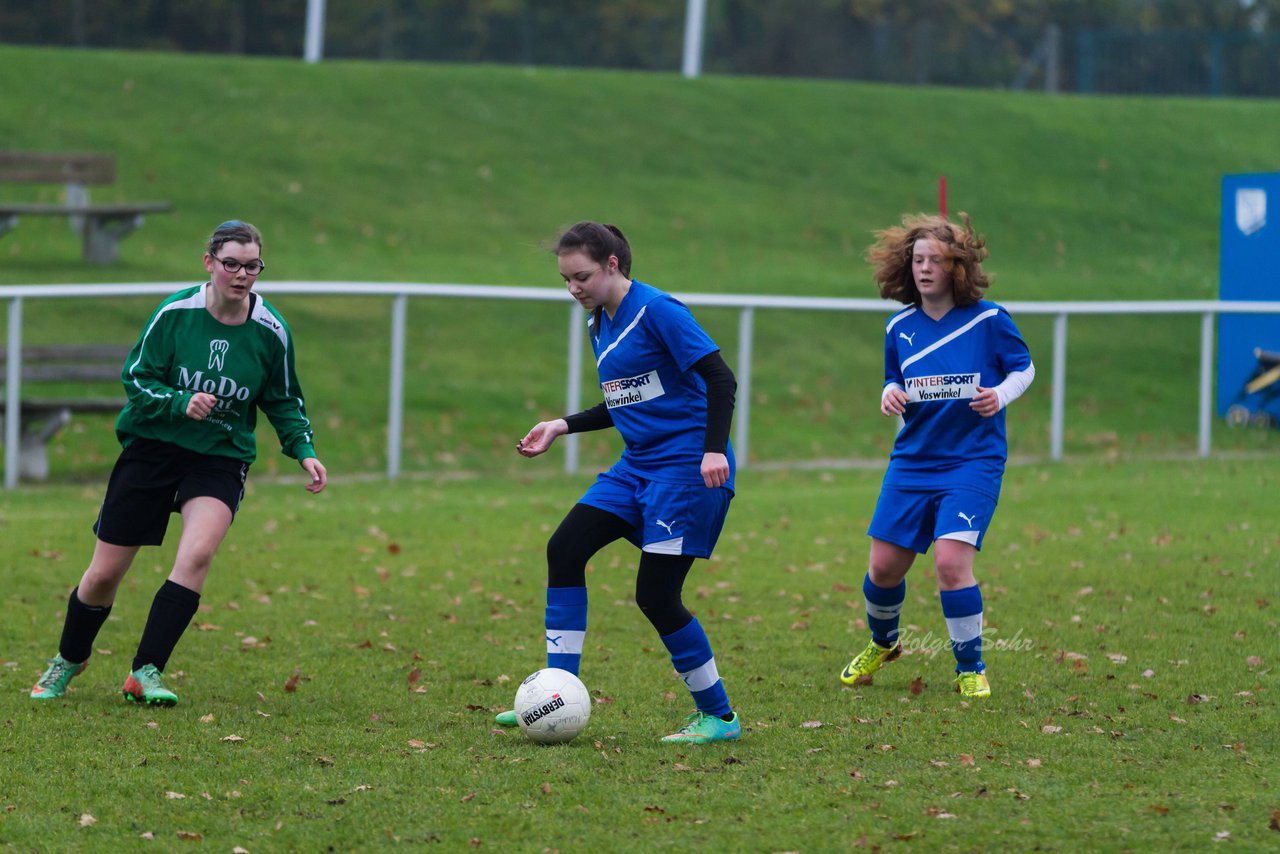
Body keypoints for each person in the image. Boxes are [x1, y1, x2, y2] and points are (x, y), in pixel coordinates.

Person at [30, 220, 327, 706]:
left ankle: (145, 672)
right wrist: (179, 402)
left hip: (219, 456)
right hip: (153, 447)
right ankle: (70, 657)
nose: (242, 274)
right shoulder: (174, 314)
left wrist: (304, 450)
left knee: (196, 555)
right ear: (209, 262)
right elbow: (137, 379)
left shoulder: (271, 332)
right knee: (104, 575)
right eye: (231, 263)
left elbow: (284, 398)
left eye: (252, 266)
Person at [494, 221, 741, 743]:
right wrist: (563, 425)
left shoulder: (659, 312)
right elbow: (629, 398)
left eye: (580, 276)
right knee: (564, 549)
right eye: (565, 280)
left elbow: (721, 378)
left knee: (656, 595)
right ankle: (555, 694)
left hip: (686, 470)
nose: (573, 289)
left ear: (612, 265)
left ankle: (719, 717)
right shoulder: (598, 321)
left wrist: (714, 449)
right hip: (637, 466)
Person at [840, 212, 1034, 699]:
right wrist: (889, 393)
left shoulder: (990, 320)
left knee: (950, 562)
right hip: (913, 462)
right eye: (918, 259)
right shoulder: (899, 326)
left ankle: (970, 667)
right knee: (883, 569)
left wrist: (1001, 395)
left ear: (957, 267)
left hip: (972, 461)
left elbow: (1024, 369)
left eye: (936, 260)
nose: (925, 268)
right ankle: (884, 643)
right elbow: (895, 379)